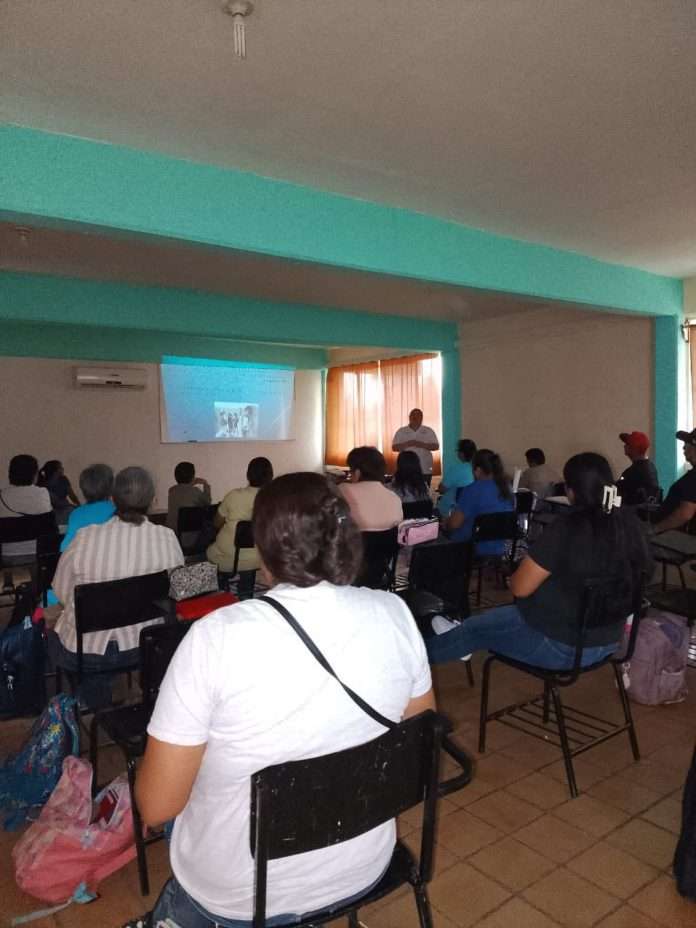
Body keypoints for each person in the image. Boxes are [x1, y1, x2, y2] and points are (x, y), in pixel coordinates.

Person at [137, 472, 434, 926]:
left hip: (242, 896)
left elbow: (156, 808)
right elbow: (416, 743)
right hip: (362, 862)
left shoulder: (216, 637)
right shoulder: (394, 613)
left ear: (265, 548)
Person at [427, 453, 653, 669]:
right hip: (610, 642)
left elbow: (520, 588)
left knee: (474, 628)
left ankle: (412, 659)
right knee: (485, 625)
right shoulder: (630, 526)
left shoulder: (567, 528)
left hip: (560, 646)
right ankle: (453, 636)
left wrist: (517, 577)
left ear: (571, 491)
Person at [50, 467, 184, 708]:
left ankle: (93, 703)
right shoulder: (167, 538)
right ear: (153, 500)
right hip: (145, 647)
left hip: (85, 653)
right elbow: (176, 591)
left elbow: (60, 591)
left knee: (50, 633)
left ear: (112, 499)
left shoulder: (84, 538)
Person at [207, 457, 273, 597]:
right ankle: (245, 590)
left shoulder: (233, 495)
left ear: (248, 474)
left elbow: (216, 523)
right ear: (270, 475)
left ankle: (223, 586)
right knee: (249, 558)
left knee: (211, 551)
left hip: (228, 556)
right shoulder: (273, 498)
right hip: (262, 557)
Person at [443, 449, 513, 555]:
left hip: (472, 546)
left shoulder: (472, 490)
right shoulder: (507, 488)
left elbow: (454, 524)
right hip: (500, 546)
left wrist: (446, 523)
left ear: (478, 470)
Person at [0, 454, 52, 563]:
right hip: (38, 553)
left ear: (10, 473)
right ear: (34, 474)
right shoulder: (42, 493)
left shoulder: (2, 496)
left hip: (8, 555)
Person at [338, 446, 403, 530]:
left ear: (357, 473)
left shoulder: (343, 490)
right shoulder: (395, 498)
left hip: (353, 542)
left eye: (351, 471)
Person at [60, 463, 116, 552]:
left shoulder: (76, 514)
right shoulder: (120, 510)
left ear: (83, 489)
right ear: (112, 487)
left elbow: (64, 548)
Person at [651, 429, 696, 534]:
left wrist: (655, 529)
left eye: (687, 443)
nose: (684, 447)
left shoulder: (694, 477)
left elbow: (685, 514)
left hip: (681, 541)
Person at [392, 409, 439, 484]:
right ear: (409, 417)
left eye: (418, 415)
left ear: (422, 418)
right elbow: (394, 448)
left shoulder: (428, 430)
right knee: (405, 491)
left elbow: (436, 446)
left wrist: (421, 444)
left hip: (424, 468)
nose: (415, 417)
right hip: (406, 468)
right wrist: (408, 443)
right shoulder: (401, 431)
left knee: (423, 491)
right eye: (413, 415)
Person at [616, 431, 660, 506]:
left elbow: (617, 491)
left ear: (633, 449)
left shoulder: (635, 471)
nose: (624, 446)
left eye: (627, 444)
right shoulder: (650, 467)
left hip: (633, 515)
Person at [166, 461, 211, 533]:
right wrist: (206, 485)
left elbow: (183, 489)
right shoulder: (196, 492)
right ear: (192, 476)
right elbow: (208, 503)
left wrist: (191, 483)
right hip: (189, 536)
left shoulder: (171, 491)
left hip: (172, 533)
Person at [438, 438, 476, 515]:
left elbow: (442, 489)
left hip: (451, 511)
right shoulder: (479, 469)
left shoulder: (456, 469)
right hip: (472, 511)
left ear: (461, 453)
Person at [37, 460, 80, 526]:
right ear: (55, 471)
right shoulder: (43, 484)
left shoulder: (64, 479)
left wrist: (79, 505)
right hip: (52, 510)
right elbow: (55, 501)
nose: (63, 469)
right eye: (60, 467)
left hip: (65, 508)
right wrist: (71, 506)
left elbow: (72, 495)